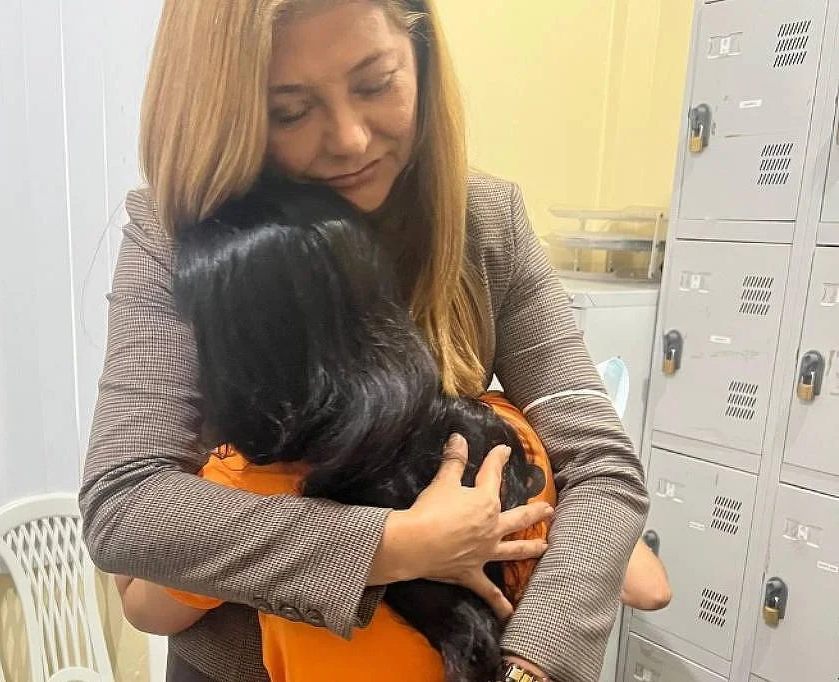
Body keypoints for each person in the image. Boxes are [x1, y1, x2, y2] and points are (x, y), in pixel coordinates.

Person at [79, 1, 649, 680]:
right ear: (229, 113)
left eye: (376, 84)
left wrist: (531, 664)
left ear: (421, 57)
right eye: (291, 111)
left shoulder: (485, 222)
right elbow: (127, 505)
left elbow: (603, 466)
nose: (349, 140)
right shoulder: (183, 235)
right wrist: (398, 545)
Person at [108, 181, 667, 682]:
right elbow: (647, 584)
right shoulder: (499, 436)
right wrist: (421, 545)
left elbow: (144, 605)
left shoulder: (239, 483)